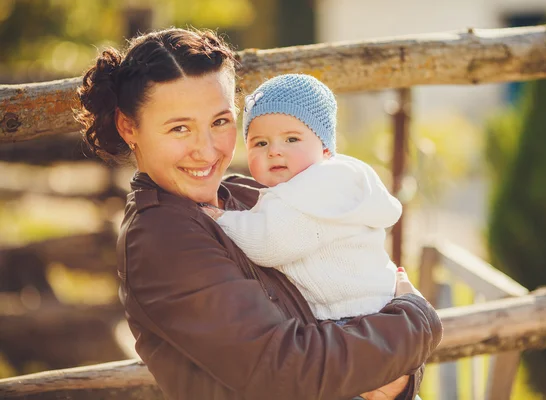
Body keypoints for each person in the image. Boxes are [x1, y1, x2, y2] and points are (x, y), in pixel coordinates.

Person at [75, 27, 442, 400]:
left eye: (219, 122)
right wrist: (417, 320)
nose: (206, 150)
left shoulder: (247, 194)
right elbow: (287, 368)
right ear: (129, 127)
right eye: (180, 128)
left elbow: (356, 282)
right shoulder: (160, 240)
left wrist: (399, 376)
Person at [203, 74, 406, 324]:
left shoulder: (317, 188)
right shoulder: (322, 183)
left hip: (353, 313)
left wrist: (223, 219)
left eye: (291, 139)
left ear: (324, 148)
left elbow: (269, 243)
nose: (274, 150)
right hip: (367, 306)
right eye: (260, 143)